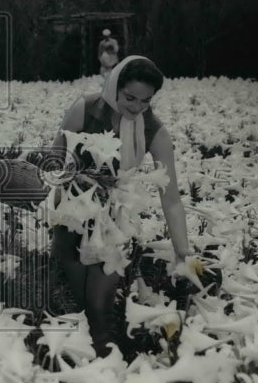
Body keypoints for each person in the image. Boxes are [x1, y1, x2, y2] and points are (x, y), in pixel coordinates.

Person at [50, 55, 193, 356]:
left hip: (115, 222)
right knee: (81, 304)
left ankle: (108, 370)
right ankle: (81, 365)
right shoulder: (84, 109)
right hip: (73, 216)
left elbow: (171, 198)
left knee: (99, 306)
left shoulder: (153, 130)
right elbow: (55, 158)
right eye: (130, 97)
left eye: (145, 100)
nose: (137, 107)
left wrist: (183, 252)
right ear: (114, 87)